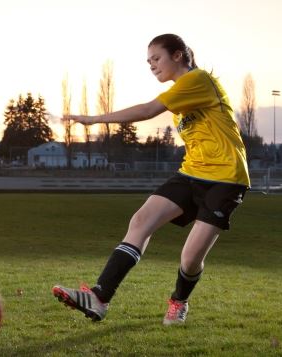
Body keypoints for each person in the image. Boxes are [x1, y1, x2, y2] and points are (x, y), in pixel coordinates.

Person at [52, 34, 250, 325]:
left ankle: (179, 301)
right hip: (191, 173)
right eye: (148, 62)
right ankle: (99, 297)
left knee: (190, 259)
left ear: (179, 55)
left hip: (226, 178)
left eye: (156, 58)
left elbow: (147, 110)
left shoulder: (199, 80)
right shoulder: (182, 93)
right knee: (141, 221)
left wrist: (93, 120)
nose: (152, 66)